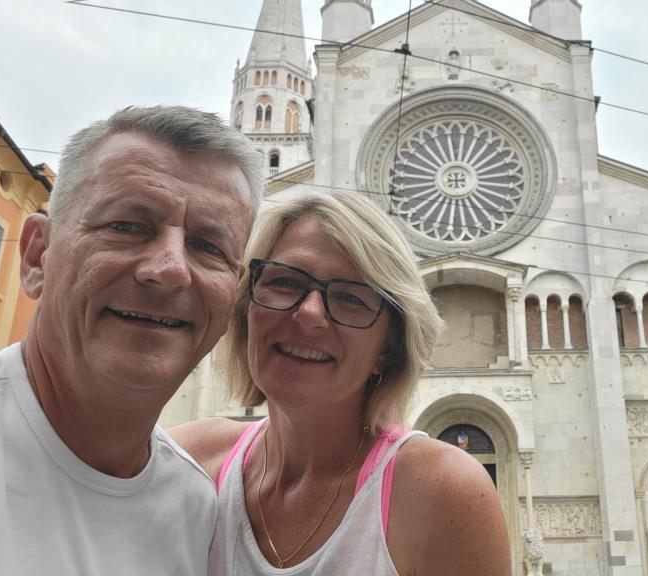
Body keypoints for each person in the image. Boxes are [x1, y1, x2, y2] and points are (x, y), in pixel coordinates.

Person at [0, 106, 264, 575]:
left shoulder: (197, 513)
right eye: (127, 227)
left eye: (208, 247)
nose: (170, 270)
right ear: (37, 256)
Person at [173, 191, 512, 575]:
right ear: (246, 309)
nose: (309, 314)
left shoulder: (442, 494)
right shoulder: (189, 463)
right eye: (285, 281)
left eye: (351, 298)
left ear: (388, 349)